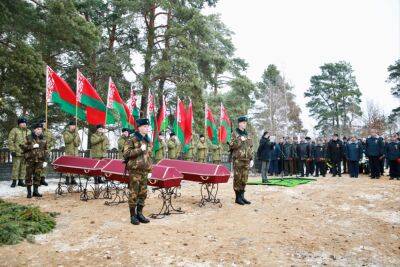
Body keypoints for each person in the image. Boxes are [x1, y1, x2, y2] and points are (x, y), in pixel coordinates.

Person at [123, 118, 152, 225]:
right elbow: (126, 153)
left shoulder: (147, 139)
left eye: (147, 126)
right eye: (144, 126)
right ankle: (132, 216)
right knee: (134, 193)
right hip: (135, 170)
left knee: (143, 193)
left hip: (145, 170)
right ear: (139, 127)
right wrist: (140, 149)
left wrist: (150, 168)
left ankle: (140, 214)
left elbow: (149, 156)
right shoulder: (132, 139)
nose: (147, 128)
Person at [229, 116, 253, 205]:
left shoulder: (247, 134)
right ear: (239, 123)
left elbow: (251, 147)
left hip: (246, 160)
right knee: (238, 178)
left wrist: (251, 158)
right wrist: (239, 140)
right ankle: (237, 197)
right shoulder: (234, 133)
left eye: (245, 123)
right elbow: (231, 145)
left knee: (244, 179)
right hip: (238, 160)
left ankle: (242, 196)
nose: (245, 124)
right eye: (243, 123)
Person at [21, 123, 47, 198]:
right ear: (34, 129)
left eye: (41, 129)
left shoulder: (44, 139)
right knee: (28, 176)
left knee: (37, 176)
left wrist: (45, 160)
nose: (40, 131)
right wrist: (32, 146)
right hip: (30, 160)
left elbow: (46, 150)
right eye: (38, 129)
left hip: (39, 160)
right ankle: (29, 192)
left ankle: (35, 191)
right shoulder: (28, 137)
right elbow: (22, 147)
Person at [8, 117, 29, 188]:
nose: (23, 124)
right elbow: (10, 141)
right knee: (16, 168)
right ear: (19, 124)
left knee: (23, 168)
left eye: (25, 123)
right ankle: (14, 181)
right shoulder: (14, 130)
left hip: (25, 153)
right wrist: (12, 150)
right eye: (22, 123)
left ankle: (21, 181)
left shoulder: (28, 131)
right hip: (17, 153)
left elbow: (31, 142)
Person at [39, 119, 55, 186]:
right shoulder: (38, 131)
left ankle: (43, 179)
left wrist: (47, 145)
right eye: (43, 123)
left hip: (47, 152)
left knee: (45, 166)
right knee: (38, 166)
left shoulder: (49, 132)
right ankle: (38, 179)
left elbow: (53, 141)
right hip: (39, 151)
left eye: (45, 123)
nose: (44, 125)